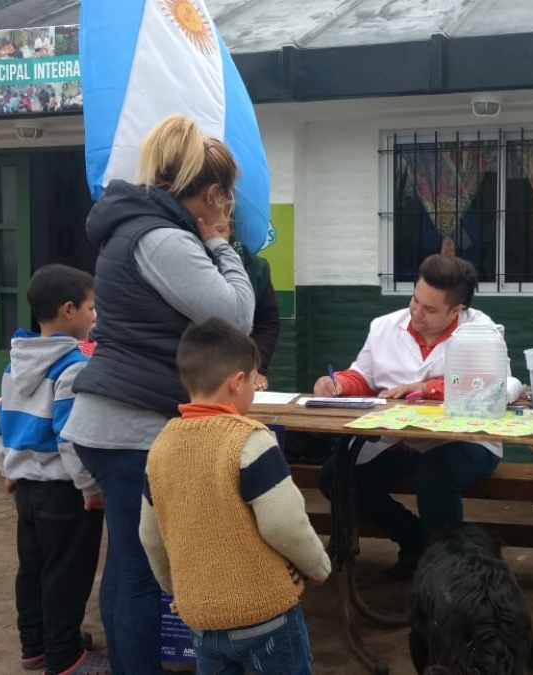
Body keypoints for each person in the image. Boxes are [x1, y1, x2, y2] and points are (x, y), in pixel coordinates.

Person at [62, 114, 256, 675]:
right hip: (134, 430)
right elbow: (236, 316)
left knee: (127, 565)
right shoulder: (165, 238)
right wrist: (220, 244)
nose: (228, 208)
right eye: (226, 197)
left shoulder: (134, 228)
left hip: (112, 421)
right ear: (211, 193)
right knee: (142, 573)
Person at [139, 318, 329, 675]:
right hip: (266, 616)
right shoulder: (251, 441)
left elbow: (150, 537)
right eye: (255, 380)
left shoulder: (160, 447)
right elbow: (284, 524)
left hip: (202, 622)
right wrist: (317, 565)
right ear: (237, 382)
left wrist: (180, 589)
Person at [313, 253, 502, 580]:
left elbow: (484, 384)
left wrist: (426, 388)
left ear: (457, 311)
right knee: (336, 476)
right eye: (415, 301)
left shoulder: (482, 331)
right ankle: (416, 542)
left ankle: (449, 574)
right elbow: (363, 376)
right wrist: (338, 383)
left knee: (436, 475)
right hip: (401, 439)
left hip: (467, 441)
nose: (417, 313)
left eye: (430, 310)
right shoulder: (385, 327)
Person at [0, 264, 107, 675]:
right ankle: (66, 658)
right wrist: (91, 487)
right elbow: (71, 437)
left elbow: (3, 426)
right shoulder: (72, 367)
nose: (95, 316)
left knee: (33, 570)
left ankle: (35, 647)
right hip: (64, 491)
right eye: (91, 308)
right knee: (67, 576)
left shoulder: (16, 363)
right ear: (67, 311)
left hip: (25, 489)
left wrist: (8, 469)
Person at [213, 218, 279, 391]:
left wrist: (257, 367)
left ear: (231, 227)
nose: (211, 233)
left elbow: (267, 323)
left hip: (242, 366)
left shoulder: (256, 267)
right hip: (198, 369)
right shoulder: (188, 259)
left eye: (219, 228)